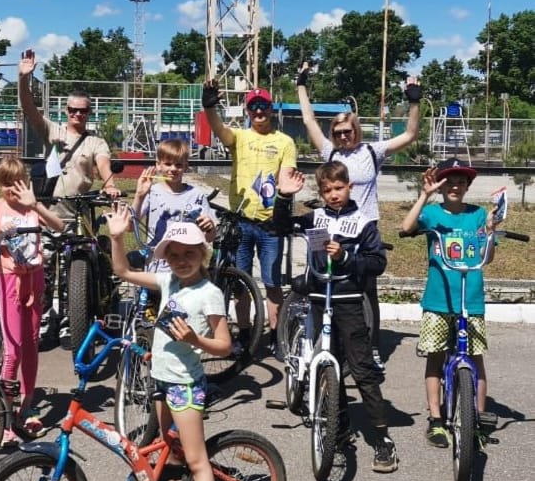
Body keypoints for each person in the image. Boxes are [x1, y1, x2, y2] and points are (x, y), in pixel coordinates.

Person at [107, 208, 231, 481]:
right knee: (170, 448)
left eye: (189, 253)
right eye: (173, 255)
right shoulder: (169, 282)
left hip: (185, 386)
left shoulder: (210, 293)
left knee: (196, 462)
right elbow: (122, 271)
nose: (180, 260)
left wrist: (196, 339)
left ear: (202, 253)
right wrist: (118, 238)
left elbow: (225, 345)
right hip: (160, 380)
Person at [273, 161, 398, 473]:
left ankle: (382, 439)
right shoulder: (315, 219)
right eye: (327, 190)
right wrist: (284, 197)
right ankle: (336, 433)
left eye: (338, 188)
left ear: (349, 187)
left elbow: (377, 263)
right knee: (327, 367)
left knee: (362, 369)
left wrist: (345, 257)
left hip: (349, 302)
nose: (333, 195)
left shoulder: (363, 222)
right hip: (318, 302)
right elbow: (280, 227)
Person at [296, 61, 422, 370]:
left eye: (347, 131)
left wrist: (415, 101)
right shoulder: (331, 153)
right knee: (324, 285)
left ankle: (371, 348)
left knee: (366, 290)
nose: (342, 137)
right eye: (337, 133)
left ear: (356, 130)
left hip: (363, 226)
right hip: (331, 225)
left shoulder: (372, 151)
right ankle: (327, 347)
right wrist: (301, 85)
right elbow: (309, 121)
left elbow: (410, 134)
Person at [18, 48, 119, 347]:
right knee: (44, 270)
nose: (77, 114)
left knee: (75, 269)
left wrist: (111, 185)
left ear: (89, 112)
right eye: (73, 110)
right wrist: (24, 79)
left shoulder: (96, 141)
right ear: (66, 110)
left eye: (83, 110)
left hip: (80, 213)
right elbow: (29, 109)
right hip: (50, 213)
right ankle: (45, 321)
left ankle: (70, 323)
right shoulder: (54, 131)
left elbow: (104, 167)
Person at [400, 158, 498, 448]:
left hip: (472, 300)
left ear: (468, 186)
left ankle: (477, 420)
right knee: (436, 356)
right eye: (449, 181)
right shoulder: (432, 213)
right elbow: (406, 227)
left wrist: (492, 229)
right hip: (438, 300)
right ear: (441, 186)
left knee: (476, 360)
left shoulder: (478, 215)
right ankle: (436, 418)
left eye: (461, 181)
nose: (455, 186)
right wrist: (425, 194)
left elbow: (487, 257)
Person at [202, 80, 298, 355]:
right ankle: (244, 333)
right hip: (241, 222)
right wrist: (209, 106)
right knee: (239, 284)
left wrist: (284, 199)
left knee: (272, 284)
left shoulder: (284, 142)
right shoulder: (240, 137)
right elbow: (218, 128)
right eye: (253, 107)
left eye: (263, 106)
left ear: (271, 110)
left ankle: (276, 336)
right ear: (247, 111)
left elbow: (286, 178)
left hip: (270, 225)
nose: (259, 112)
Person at [0, 155, 65, 446]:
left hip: (35, 279)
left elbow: (60, 226)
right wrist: (1, 234)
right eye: (5, 184)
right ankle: (3, 416)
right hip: (9, 281)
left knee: (31, 345)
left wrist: (35, 204)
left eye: (16, 184)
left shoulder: (31, 207)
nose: (11, 191)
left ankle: (26, 407)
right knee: (13, 349)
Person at [132, 138, 216, 274]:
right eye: (168, 164)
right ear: (158, 165)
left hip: (187, 269)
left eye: (178, 165)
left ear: (186, 166)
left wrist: (210, 228)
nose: (173, 169)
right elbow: (131, 227)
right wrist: (139, 195)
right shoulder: (151, 192)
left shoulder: (196, 195)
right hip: (156, 268)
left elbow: (209, 237)